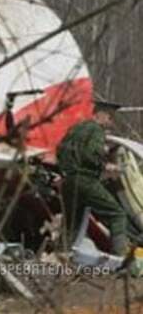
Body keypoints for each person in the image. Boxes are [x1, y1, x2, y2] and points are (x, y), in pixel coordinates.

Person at [57, 100, 128, 255]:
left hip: (68, 181)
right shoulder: (96, 130)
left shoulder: (76, 128)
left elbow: (59, 151)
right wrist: (106, 166)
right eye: (110, 117)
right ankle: (122, 259)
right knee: (117, 214)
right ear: (101, 114)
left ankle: (62, 256)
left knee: (72, 223)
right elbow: (91, 154)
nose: (111, 121)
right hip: (85, 180)